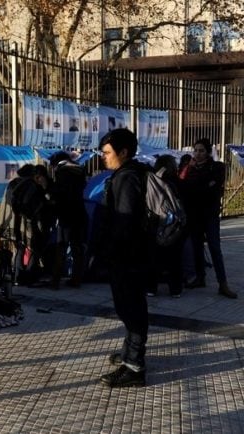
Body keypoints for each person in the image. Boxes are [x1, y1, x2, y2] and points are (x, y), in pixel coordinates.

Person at [98, 128, 150, 388]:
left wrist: (112, 251)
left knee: (132, 310)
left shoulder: (127, 178)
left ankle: (134, 368)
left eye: (107, 153)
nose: (103, 157)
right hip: (130, 255)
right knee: (130, 308)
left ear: (124, 152)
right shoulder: (130, 173)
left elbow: (125, 222)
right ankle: (129, 355)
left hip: (128, 257)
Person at [180, 138, 237, 298]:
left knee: (214, 248)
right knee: (197, 246)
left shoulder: (217, 167)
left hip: (210, 215)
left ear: (208, 152)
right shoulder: (188, 168)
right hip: (194, 215)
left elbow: (211, 187)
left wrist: (197, 187)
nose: (197, 154)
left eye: (201, 151)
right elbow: (182, 185)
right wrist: (190, 173)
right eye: (195, 150)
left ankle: (223, 283)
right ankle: (200, 277)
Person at [48, 151, 87, 288]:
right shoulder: (79, 170)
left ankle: (56, 280)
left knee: (61, 246)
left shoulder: (62, 172)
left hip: (66, 214)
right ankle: (76, 279)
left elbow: (60, 194)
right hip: (80, 212)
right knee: (77, 248)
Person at [147, 155, 184, 298]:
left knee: (153, 257)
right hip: (172, 224)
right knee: (174, 258)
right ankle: (175, 289)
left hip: (155, 221)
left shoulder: (151, 181)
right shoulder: (176, 182)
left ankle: (151, 288)